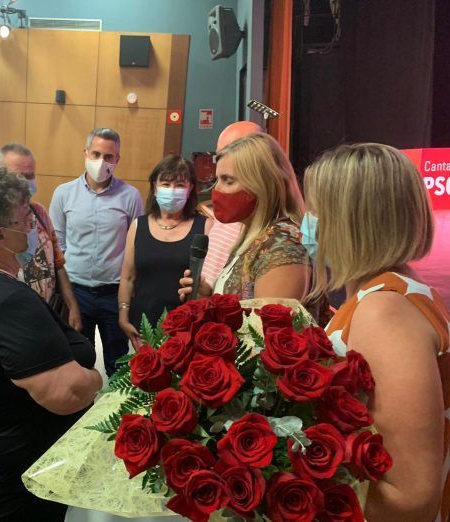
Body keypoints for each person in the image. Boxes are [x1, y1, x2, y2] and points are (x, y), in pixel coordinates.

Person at [0, 164, 101, 521]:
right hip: (8, 481)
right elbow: (68, 394)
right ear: (0, 236)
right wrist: (97, 378)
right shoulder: (6, 300)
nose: (32, 229)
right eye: (25, 221)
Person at [305, 143, 450, 521]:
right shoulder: (388, 294)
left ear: (350, 220)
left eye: (315, 210)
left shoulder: (384, 311)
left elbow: (410, 496)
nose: (306, 223)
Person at [50, 128, 144, 376]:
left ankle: (116, 402)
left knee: (119, 364)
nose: (102, 161)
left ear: (117, 159)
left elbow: (136, 247)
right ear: (86, 153)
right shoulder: (63, 194)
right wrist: (68, 297)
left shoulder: (130, 197)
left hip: (114, 294)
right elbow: (57, 245)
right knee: (79, 362)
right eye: (96, 154)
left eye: (109, 156)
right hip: (76, 294)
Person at [179, 133, 311, 307]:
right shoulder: (252, 236)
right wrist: (206, 299)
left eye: (228, 181)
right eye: (217, 179)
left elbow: (266, 323)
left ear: (261, 185)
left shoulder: (283, 246)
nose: (216, 189)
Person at [118, 155, 211, 348]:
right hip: (143, 328)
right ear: (155, 187)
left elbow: (211, 283)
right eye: (166, 184)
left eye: (180, 185)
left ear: (190, 189)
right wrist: (123, 315)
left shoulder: (205, 227)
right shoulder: (138, 225)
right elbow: (128, 277)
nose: (172, 190)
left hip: (188, 330)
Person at [0, 143, 82, 330]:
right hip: (11, 320)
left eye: (30, 176)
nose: (26, 183)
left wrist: (72, 305)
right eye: (19, 176)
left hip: (47, 313)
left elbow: (58, 263)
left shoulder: (39, 212)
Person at [200, 121, 262, 286]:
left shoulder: (274, 241)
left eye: (228, 180)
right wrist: (205, 293)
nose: (217, 189)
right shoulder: (228, 213)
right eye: (220, 154)